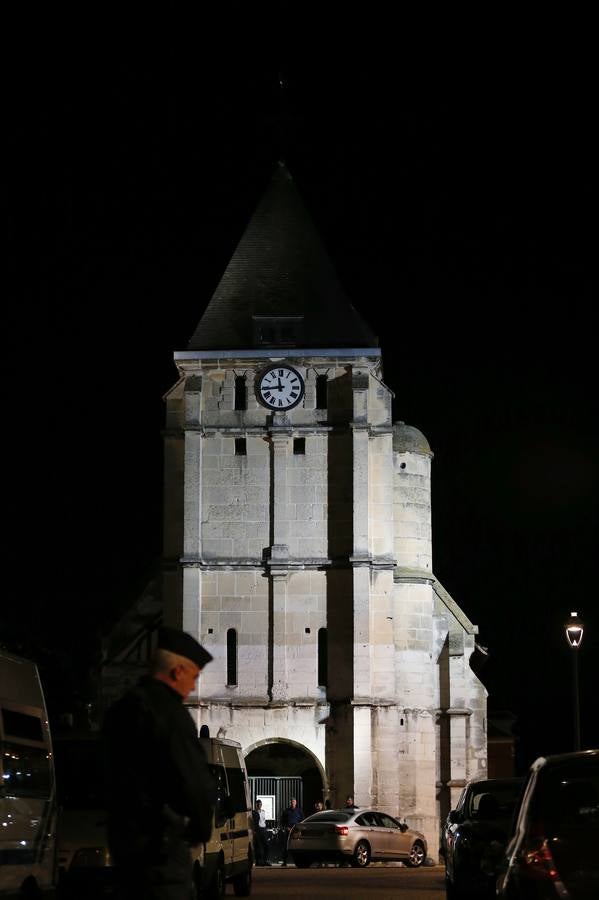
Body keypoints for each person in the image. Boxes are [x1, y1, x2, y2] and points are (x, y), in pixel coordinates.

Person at [103, 626, 216, 900]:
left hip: (123, 844)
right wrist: (200, 828)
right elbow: (194, 782)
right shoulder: (171, 714)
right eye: (193, 677)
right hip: (161, 847)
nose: (193, 686)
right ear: (177, 671)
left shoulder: (120, 710)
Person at [279, 797, 304, 865]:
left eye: (294, 802)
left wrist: (299, 828)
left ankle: (299, 861)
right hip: (288, 830)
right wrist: (286, 827)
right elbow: (282, 821)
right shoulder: (286, 811)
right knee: (286, 846)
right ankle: (284, 861)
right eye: (291, 802)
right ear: (290, 803)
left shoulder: (299, 811)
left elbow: (302, 821)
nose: (292, 803)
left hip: (296, 831)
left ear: (296, 803)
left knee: (298, 846)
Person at [252, 799, 270, 866]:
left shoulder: (263, 811)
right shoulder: (253, 812)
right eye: (258, 804)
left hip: (263, 829)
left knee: (266, 845)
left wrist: (265, 828)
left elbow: (264, 820)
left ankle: (265, 860)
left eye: (260, 804)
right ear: (256, 805)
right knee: (258, 846)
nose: (259, 805)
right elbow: (252, 822)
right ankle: (258, 862)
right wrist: (254, 830)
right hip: (257, 830)